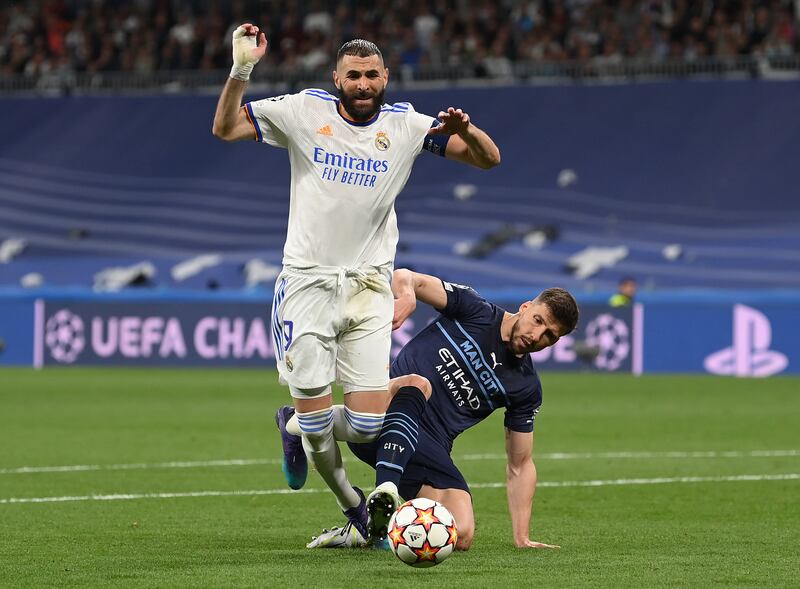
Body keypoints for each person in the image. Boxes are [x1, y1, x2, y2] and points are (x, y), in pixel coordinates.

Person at [212, 24, 501, 540]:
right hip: (308, 284)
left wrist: (468, 129)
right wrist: (241, 69)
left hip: (370, 287)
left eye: (372, 75)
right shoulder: (305, 111)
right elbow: (227, 128)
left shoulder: (407, 125)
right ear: (336, 78)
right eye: (354, 76)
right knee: (323, 428)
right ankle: (353, 504)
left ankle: (295, 424)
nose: (363, 84)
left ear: (386, 77)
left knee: (367, 426)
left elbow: (487, 159)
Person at [279, 268, 579, 550]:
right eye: (538, 321)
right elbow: (407, 277)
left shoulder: (525, 386)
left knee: (459, 534)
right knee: (417, 384)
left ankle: (366, 525)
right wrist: (408, 295)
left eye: (550, 336)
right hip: (385, 409)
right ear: (526, 307)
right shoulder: (475, 309)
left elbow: (521, 463)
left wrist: (522, 536)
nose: (538, 336)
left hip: (430, 446)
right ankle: (378, 487)